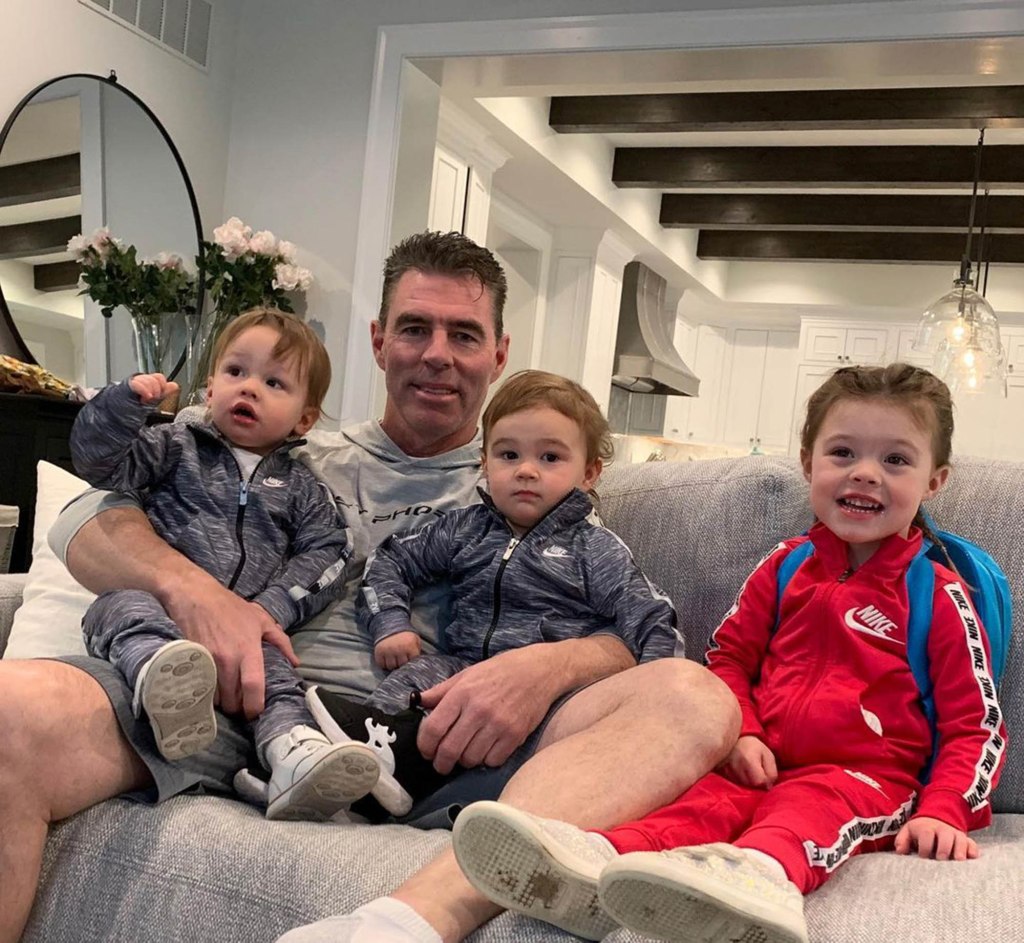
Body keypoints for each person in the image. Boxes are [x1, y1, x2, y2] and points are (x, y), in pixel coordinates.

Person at [0, 230, 739, 943]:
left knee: (695, 697)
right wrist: (198, 593)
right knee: (11, 709)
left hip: (438, 745)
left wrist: (549, 666)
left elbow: (632, 625)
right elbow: (86, 521)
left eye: (464, 334)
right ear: (380, 338)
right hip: (230, 706)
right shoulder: (281, 439)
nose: (437, 356)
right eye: (415, 328)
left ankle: (405, 922)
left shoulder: (531, 477)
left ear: (498, 353)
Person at [449, 362, 1008, 943]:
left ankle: (757, 883)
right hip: (756, 761)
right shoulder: (784, 568)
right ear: (807, 463)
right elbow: (730, 662)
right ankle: (593, 866)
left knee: (801, 817)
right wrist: (743, 732)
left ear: (934, 481)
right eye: (842, 453)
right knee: (694, 805)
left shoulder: (938, 595)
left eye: (895, 460)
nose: (865, 474)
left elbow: (977, 722)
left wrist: (945, 806)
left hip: (864, 778)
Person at [310, 369, 681, 817]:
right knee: (408, 684)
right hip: (460, 667)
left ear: (589, 473)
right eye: (508, 454)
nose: (526, 470)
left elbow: (651, 617)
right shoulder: (465, 529)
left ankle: (387, 778)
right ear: (484, 463)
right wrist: (391, 622)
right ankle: (358, 770)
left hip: (548, 695)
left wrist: (651, 696)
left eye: (549, 458)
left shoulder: (595, 549)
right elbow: (391, 560)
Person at [70, 307, 380, 821]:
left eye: (274, 382)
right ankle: (165, 681)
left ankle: (292, 755)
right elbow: (99, 464)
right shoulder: (172, 447)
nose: (249, 388)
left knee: (279, 674)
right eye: (236, 372)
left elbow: (332, 552)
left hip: (248, 635)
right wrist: (124, 403)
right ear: (210, 388)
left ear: (304, 418)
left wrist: (269, 611)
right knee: (119, 606)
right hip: (160, 611)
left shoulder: (302, 487)